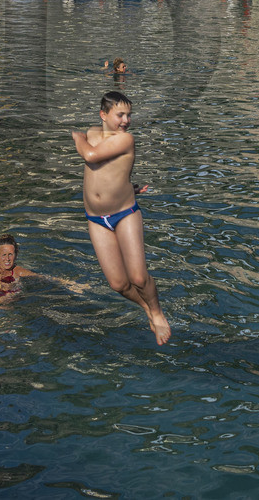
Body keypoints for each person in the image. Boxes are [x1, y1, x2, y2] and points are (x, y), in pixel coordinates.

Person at [72, 91, 170, 345]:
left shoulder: (126, 139)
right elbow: (106, 171)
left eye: (129, 115)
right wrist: (127, 186)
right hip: (96, 219)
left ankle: (157, 312)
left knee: (138, 277)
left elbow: (91, 156)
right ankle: (146, 307)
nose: (126, 120)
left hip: (124, 214)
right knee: (118, 284)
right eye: (120, 115)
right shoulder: (93, 134)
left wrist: (77, 137)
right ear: (104, 115)